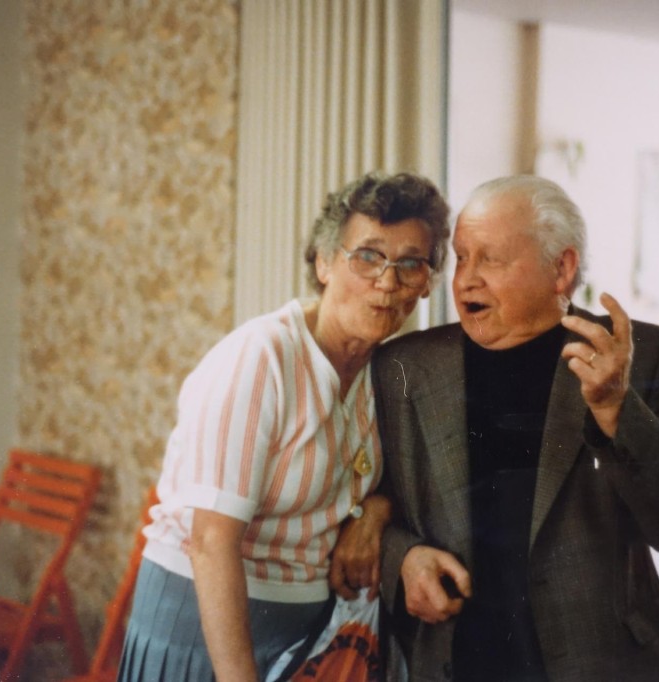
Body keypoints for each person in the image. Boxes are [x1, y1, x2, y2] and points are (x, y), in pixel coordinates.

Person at [372, 175, 659, 681]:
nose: (466, 280)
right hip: (457, 661)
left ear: (562, 269)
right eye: (462, 257)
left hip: (603, 666)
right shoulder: (402, 368)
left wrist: (616, 409)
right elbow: (360, 509)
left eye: (491, 260)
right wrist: (401, 558)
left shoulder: (640, 356)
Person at [118, 171, 450, 682]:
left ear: (426, 282)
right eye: (368, 256)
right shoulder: (261, 358)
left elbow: (374, 482)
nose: (388, 282)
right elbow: (211, 542)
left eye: (410, 264)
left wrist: (375, 511)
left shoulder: (384, 370)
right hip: (207, 621)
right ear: (323, 263)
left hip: (310, 630)